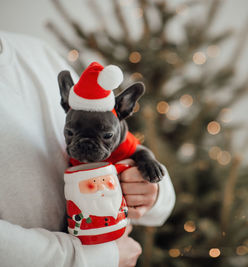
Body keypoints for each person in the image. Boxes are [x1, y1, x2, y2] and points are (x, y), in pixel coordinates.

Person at [0, 31, 175, 267]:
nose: (85, 145)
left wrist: (153, 192)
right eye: (71, 134)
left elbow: (138, 160)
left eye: (105, 136)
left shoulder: (40, 54)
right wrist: (93, 259)